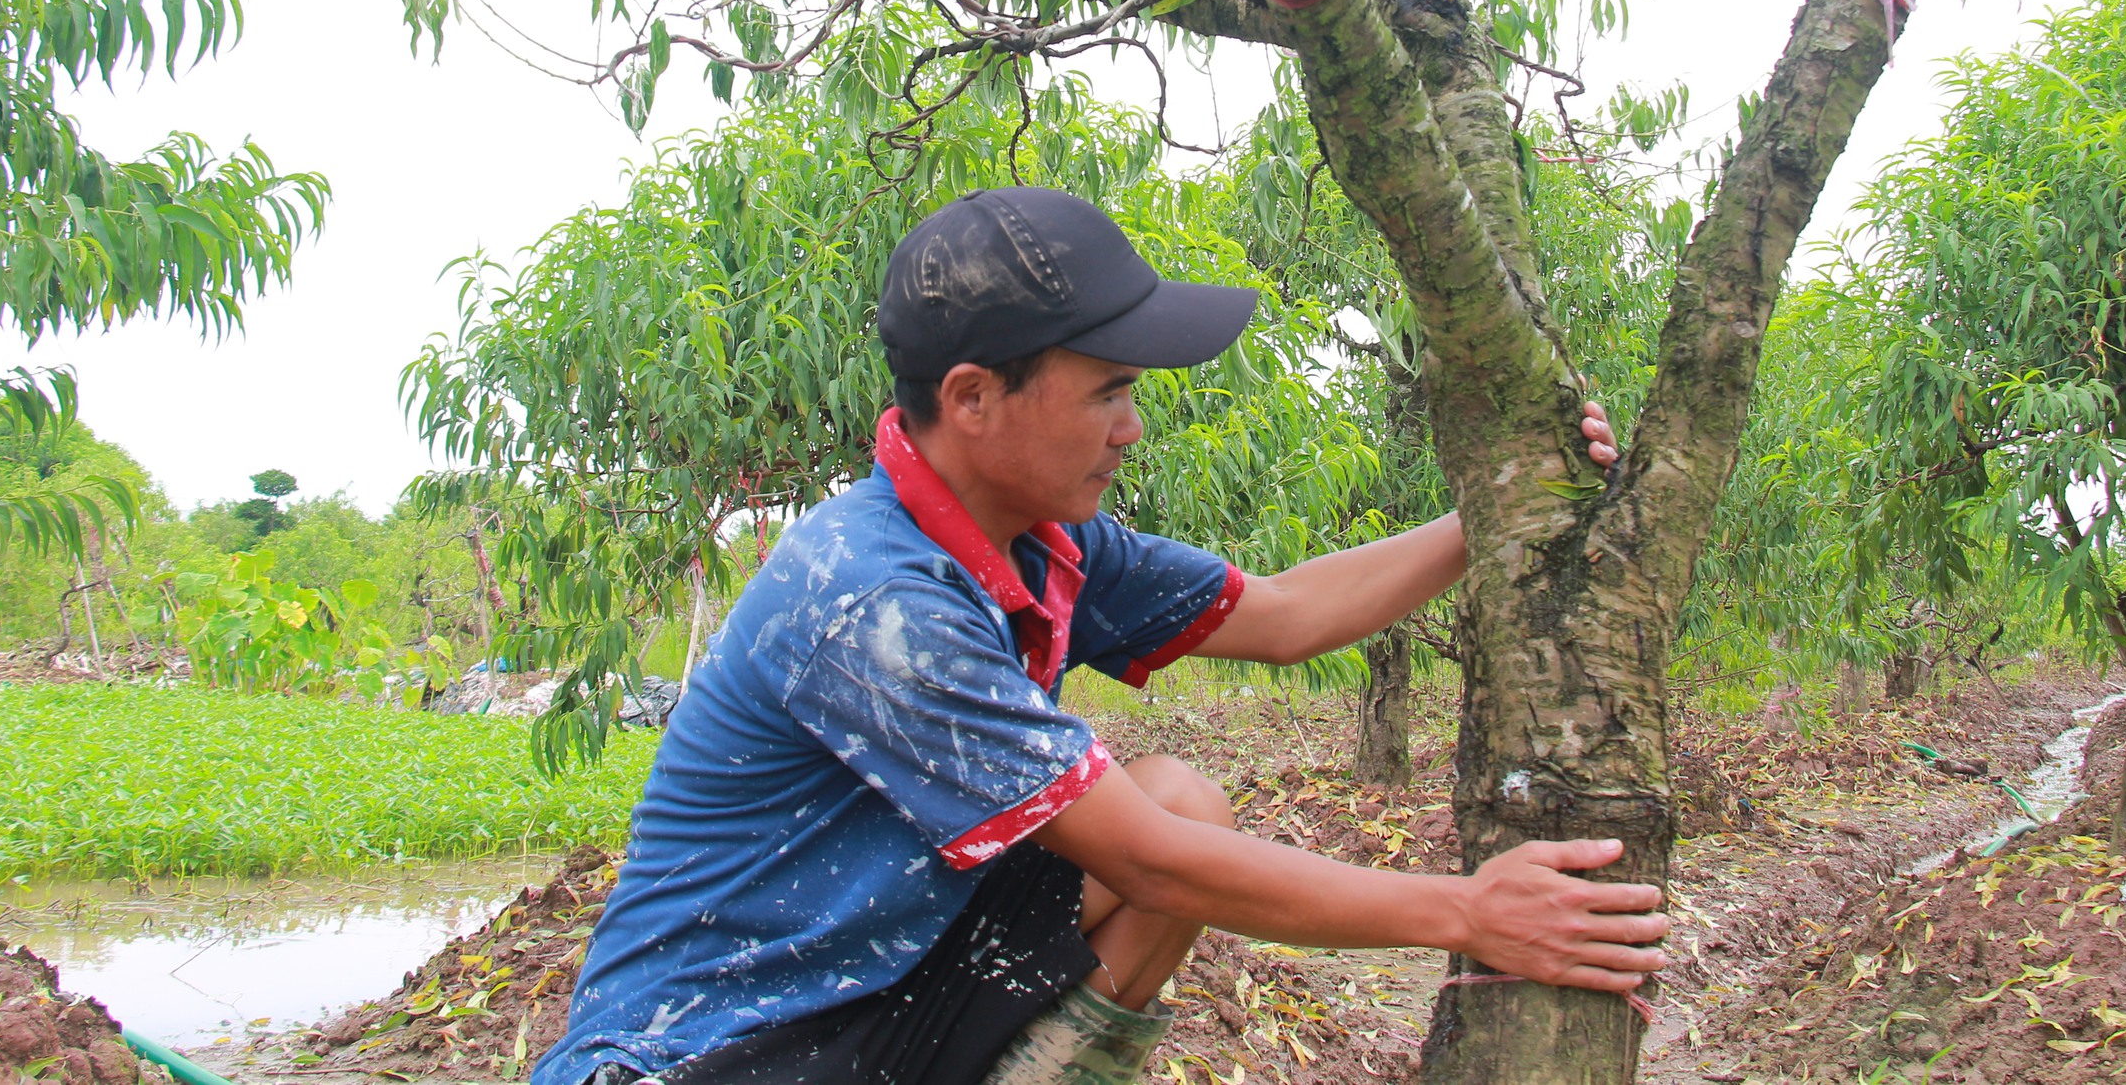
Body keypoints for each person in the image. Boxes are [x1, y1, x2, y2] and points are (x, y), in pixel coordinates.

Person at [536, 187, 1665, 1085]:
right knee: (1162, 829)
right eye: (1107, 393)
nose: (1130, 429)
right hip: (708, 1053)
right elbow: (1139, 859)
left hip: (878, 1005)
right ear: (973, 398)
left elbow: (1287, 616)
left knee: (1183, 795)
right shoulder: (875, 603)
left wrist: (1492, 513)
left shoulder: (1041, 539)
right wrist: (1468, 912)